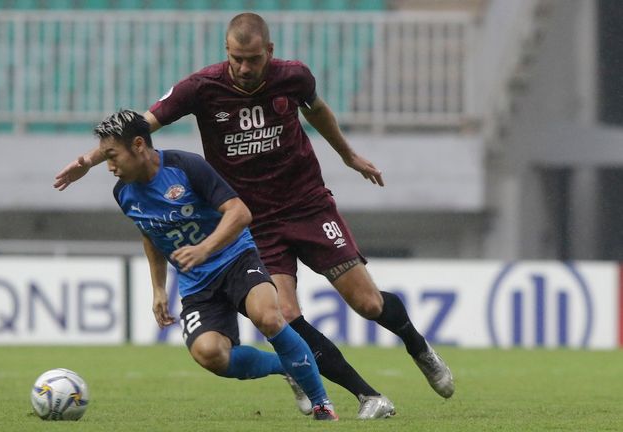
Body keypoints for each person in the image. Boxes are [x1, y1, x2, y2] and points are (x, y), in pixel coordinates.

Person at [55, 13, 454, 418]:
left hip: (307, 204)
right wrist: (88, 160)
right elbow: (137, 128)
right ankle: (367, 396)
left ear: (270, 52)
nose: (244, 68)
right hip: (253, 220)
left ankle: (419, 348)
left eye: (254, 59)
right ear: (225, 51)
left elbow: (316, 111)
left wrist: (348, 155)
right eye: (237, 58)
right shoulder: (201, 87)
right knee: (284, 315)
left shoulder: (294, 77)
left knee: (367, 303)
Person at [95, 109, 338, 420]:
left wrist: (205, 248)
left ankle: (322, 405)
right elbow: (149, 233)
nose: (110, 166)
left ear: (139, 145)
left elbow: (240, 212)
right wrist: (158, 289)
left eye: (112, 156)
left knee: (269, 316)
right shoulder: (123, 193)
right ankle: (288, 368)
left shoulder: (185, 166)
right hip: (196, 282)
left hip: (235, 258)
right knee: (209, 354)